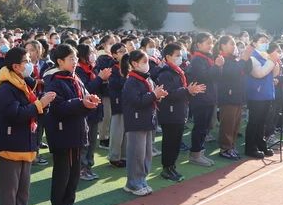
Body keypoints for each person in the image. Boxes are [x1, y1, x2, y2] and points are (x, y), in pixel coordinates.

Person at [0, 47, 55, 205]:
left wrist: (42, 104)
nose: (30, 63)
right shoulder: (5, 88)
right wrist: (40, 105)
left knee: (23, 189)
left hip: (26, 142)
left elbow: (31, 110)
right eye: (26, 60)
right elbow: (16, 114)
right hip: (11, 144)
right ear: (16, 66)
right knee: (10, 190)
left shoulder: (23, 83)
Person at [42, 44, 101, 205]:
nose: (75, 62)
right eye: (71, 59)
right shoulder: (54, 80)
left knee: (74, 172)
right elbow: (58, 107)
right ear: (60, 61)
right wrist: (81, 103)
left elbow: (82, 99)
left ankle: (69, 204)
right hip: (63, 133)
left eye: (75, 58)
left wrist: (90, 101)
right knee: (63, 172)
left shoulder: (75, 78)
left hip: (77, 130)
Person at [155, 43, 205, 182]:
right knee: (169, 142)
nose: (180, 57)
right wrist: (187, 90)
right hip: (169, 113)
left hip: (178, 112)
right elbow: (168, 93)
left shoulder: (177, 71)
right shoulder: (165, 73)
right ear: (168, 57)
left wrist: (190, 91)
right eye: (177, 55)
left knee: (176, 142)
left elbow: (181, 92)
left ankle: (172, 167)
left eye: (180, 54)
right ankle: (166, 168)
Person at [121, 50, 167, 196]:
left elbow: (149, 97)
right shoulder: (131, 81)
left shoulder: (146, 79)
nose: (148, 65)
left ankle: (141, 180)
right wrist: (154, 94)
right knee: (136, 154)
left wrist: (158, 96)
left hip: (147, 120)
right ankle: (132, 183)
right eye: (145, 62)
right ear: (134, 64)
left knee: (146, 153)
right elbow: (137, 101)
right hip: (136, 122)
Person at [186, 33, 224, 167]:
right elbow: (204, 77)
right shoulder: (197, 59)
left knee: (205, 127)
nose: (211, 45)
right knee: (200, 127)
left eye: (211, 42)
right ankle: (195, 154)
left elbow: (216, 78)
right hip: (201, 98)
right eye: (208, 43)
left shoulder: (207, 58)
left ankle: (200, 153)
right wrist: (217, 66)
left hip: (209, 97)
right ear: (199, 45)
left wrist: (218, 67)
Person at [74, 43, 111, 181]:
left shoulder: (92, 69)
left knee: (92, 141)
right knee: (85, 142)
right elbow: (87, 89)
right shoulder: (79, 71)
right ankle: (82, 168)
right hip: (86, 111)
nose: (93, 55)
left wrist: (104, 80)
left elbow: (99, 88)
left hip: (95, 110)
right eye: (90, 52)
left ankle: (88, 166)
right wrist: (100, 78)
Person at [216, 36, 252, 160]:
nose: (234, 46)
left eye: (234, 44)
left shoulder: (234, 59)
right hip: (228, 96)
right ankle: (225, 148)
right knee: (228, 123)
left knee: (236, 124)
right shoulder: (222, 59)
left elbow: (247, 70)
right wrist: (243, 60)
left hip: (237, 95)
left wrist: (247, 59)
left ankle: (231, 146)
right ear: (222, 46)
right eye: (231, 44)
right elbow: (231, 72)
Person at [244, 38, 281, 158]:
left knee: (262, 122)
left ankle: (261, 144)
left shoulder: (266, 56)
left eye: (266, 41)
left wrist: (275, 62)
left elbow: (274, 73)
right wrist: (271, 61)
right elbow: (259, 73)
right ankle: (250, 148)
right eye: (261, 41)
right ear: (255, 43)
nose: (265, 43)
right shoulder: (252, 57)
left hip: (267, 93)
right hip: (256, 95)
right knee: (254, 122)